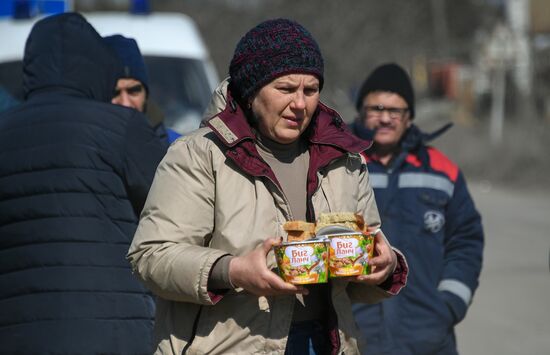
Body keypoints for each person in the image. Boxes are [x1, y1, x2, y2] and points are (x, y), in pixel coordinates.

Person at [128, 19, 408, 355]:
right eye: (286, 89)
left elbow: (361, 260)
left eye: (311, 90)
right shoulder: (200, 154)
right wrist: (233, 271)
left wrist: (383, 267)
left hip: (323, 343)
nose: (300, 104)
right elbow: (151, 256)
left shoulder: (343, 158)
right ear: (251, 91)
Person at [0, 13, 166, 354]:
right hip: (116, 332)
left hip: (17, 333)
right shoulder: (122, 127)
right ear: (100, 67)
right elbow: (175, 208)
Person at [350, 63, 484, 355]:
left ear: (409, 117)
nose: (385, 118)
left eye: (395, 111)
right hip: (353, 337)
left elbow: (466, 242)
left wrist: (449, 304)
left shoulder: (441, 172)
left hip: (428, 339)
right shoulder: (335, 166)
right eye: (376, 108)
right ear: (360, 110)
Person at [103, 34, 181, 144]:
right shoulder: (82, 146)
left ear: (145, 94)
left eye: (133, 91)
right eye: (114, 93)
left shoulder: (179, 149)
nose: (125, 103)